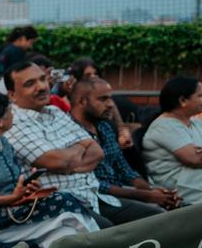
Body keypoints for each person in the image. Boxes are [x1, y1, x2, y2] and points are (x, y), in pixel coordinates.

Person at [0, 88, 98, 248]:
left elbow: (12, 186)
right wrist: (10, 199)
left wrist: (26, 188)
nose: (13, 114)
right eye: (9, 111)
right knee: (65, 203)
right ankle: (101, 247)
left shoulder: (3, 143)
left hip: (13, 210)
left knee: (65, 234)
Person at [5, 61, 113, 225]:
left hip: (93, 196)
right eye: (30, 84)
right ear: (12, 95)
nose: (42, 87)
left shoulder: (55, 112)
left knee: (149, 216)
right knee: (115, 231)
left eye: (42, 79)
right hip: (59, 207)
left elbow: (96, 152)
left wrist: (67, 163)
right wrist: (80, 146)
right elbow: (56, 161)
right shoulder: (13, 122)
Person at [71, 78, 178, 220]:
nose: (110, 104)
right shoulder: (68, 131)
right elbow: (92, 184)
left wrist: (152, 191)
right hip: (92, 199)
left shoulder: (104, 126)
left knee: (175, 206)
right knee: (158, 216)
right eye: (103, 99)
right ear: (81, 101)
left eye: (110, 98)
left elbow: (124, 169)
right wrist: (146, 195)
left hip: (119, 192)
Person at [142, 76, 202, 205]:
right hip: (191, 192)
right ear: (183, 100)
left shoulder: (200, 124)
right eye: (200, 96)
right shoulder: (164, 127)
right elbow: (194, 159)